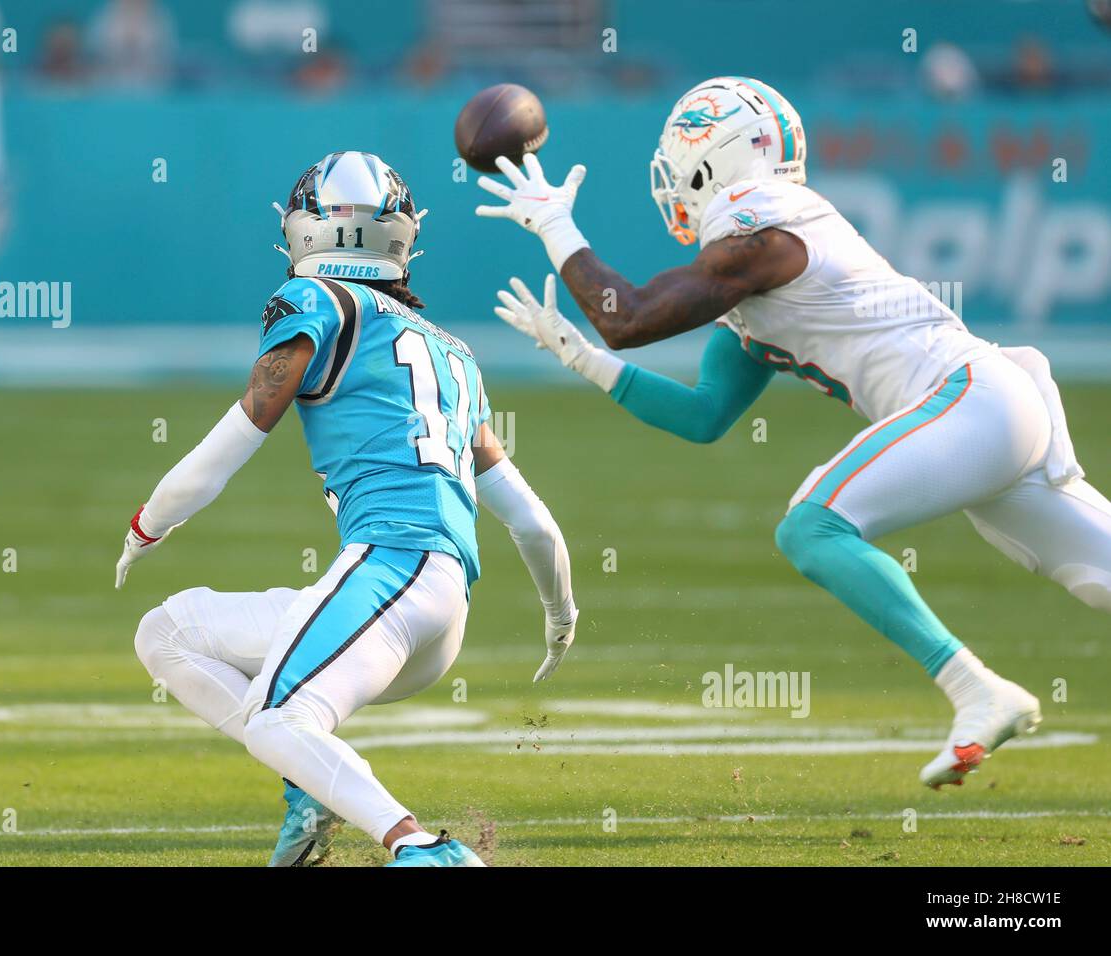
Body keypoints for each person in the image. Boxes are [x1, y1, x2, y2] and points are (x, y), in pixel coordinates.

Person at [474, 76, 1111, 789]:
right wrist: (581, 358)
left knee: (813, 526)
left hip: (970, 400)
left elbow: (631, 317)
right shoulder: (756, 271)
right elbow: (703, 415)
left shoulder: (760, 223)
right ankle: (980, 691)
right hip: (990, 411)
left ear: (711, 161)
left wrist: (558, 230)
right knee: (1102, 578)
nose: (675, 189)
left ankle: (976, 689)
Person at [116, 151, 578, 864]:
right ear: (401, 235)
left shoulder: (317, 304)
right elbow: (532, 523)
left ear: (303, 229)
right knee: (168, 633)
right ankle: (314, 786)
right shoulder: (454, 354)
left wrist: (152, 520)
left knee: (277, 719)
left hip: (391, 570)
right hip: (436, 607)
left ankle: (420, 846)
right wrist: (560, 616)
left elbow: (232, 441)